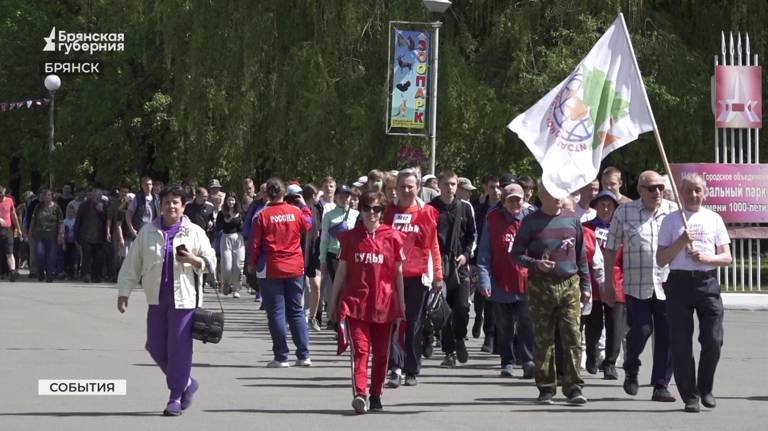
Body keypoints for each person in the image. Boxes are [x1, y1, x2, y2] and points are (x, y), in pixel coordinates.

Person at [117, 185, 216, 416]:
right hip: (156, 299)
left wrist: (194, 260)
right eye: (166, 202)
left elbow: (211, 261)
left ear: (183, 206)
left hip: (184, 301)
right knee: (155, 346)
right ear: (159, 206)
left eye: (175, 202)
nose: (171, 206)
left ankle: (175, 396)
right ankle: (187, 383)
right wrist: (124, 292)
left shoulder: (194, 232)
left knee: (179, 350)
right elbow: (133, 263)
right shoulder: (148, 231)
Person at [511, 182, 591, 405]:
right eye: (552, 193)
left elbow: (581, 256)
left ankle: (574, 387)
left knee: (573, 336)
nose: (557, 197)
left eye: (560, 193)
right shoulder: (530, 222)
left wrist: (586, 286)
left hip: (569, 285)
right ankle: (546, 388)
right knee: (544, 338)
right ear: (541, 194)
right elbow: (516, 254)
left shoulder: (572, 220)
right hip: (541, 286)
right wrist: (536, 264)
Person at [657, 173, 731, 413]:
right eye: (688, 190)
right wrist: (681, 241)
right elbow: (660, 259)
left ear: (705, 193)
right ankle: (690, 396)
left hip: (707, 283)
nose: (693, 195)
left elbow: (727, 257)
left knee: (713, 339)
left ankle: (705, 387)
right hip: (678, 283)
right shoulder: (670, 221)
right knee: (680, 343)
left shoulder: (714, 219)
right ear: (681, 193)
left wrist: (709, 258)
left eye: (698, 190)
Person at [328, 191, 406, 414]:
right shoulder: (350, 237)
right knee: (361, 350)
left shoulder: (392, 236)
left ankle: (376, 394)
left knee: (382, 354)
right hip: (356, 304)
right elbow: (341, 272)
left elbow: (398, 273)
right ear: (360, 211)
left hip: (385, 304)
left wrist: (402, 305)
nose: (372, 213)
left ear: (383, 212)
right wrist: (332, 302)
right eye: (367, 209)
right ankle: (360, 393)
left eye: (377, 209)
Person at [604, 170, 677, 402]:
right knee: (642, 330)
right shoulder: (625, 212)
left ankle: (661, 385)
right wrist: (607, 282)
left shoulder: (674, 212)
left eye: (660, 187)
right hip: (637, 285)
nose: (657, 192)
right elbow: (611, 249)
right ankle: (631, 364)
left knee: (667, 335)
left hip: (668, 284)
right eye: (651, 188)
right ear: (639, 190)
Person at [382, 168, 442, 388]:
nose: (406, 190)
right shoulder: (387, 213)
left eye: (410, 186)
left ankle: (411, 368)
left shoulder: (427, 213)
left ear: (418, 187)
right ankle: (394, 368)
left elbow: (433, 245)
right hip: (390, 276)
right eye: (402, 186)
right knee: (393, 323)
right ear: (396, 188)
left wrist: (438, 274)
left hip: (417, 277)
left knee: (414, 323)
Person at [247, 177, 312, 368]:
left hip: (271, 267)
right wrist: (304, 206)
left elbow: (255, 242)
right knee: (296, 311)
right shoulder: (295, 211)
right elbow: (308, 224)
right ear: (285, 193)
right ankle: (304, 355)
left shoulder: (262, 215)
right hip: (294, 266)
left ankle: (282, 356)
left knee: (276, 312)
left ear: (267, 193)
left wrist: (251, 263)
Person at [476, 183, 536, 378]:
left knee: (527, 324)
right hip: (501, 282)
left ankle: (528, 360)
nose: (514, 203)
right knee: (505, 326)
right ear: (504, 201)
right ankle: (507, 361)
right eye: (510, 200)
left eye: (518, 199)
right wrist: (484, 280)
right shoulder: (493, 218)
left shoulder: (532, 217)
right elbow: (484, 251)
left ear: (524, 199)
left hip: (527, 281)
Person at [428, 170, 476, 367]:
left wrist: (466, 254)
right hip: (439, 265)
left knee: (463, 307)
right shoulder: (430, 208)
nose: (450, 188)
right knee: (444, 310)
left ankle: (460, 337)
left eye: (453, 184)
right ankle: (449, 352)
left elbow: (473, 235)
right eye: (446, 184)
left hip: (460, 265)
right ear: (439, 185)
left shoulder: (465, 208)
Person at [582, 190, 625, 380]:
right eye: (602, 204)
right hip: (593, 282)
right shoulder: (586, 228)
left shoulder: (622, 229)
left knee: (615, 325)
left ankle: (610, 363)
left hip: (617, 282)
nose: (606, 208)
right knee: (593, 324)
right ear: (595, 207)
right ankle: (591, 357)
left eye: (610, 205)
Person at [472, 175, 502, 349]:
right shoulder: (480, 209)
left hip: (497, 256)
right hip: (480, 255)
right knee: (480, 294)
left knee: (493, 297)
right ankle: (478, 318)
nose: (496, 191)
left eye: (498, 187)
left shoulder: (503, 208)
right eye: (492, 187)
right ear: (486, 188)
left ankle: (491, 334)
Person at [28, 188, 64, 282]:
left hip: (52, 236)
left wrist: (61, 234)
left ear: (52, 197)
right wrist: (30, 232)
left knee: (51, 256)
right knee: (40, 255)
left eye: (49, 195)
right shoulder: (38, 207)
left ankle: (49, 275)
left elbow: (60, 222)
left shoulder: (56, 208)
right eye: (45, 195)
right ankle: (40, 272)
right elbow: (33, 220)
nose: (47, 197)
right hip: (39, 235)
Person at [75, 188, 108, 283]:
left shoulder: (104, 205)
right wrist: (76, 237)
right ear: (91, 196)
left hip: (99, 237)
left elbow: (107, 221)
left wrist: (101, 212)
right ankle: (87, 274)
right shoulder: (84, 205)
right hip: (86, 236)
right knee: (86, 257)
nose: (97, 198)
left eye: (99, 196)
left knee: (98, 257)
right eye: (95, 196)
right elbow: (78, 221)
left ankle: (97, 275)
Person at [302, 184, 323, 331]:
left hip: (314, 251)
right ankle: (300, 315)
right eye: (316, 195)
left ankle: (312, 317)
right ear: (312, 196)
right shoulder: (300, 210)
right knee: (301, 286)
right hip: (301, 251)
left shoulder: (317, 209)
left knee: (315, 286)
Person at [215, 192, 244, 298]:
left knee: (237, 265)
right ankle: (226, 284)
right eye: (229, 200)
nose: (231, 202)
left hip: (238, 239)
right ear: (226, 201)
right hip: (226, 238)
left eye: (233, 200)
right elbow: (218, 227)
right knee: (226, 266)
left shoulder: (239, 213)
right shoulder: (221, 213)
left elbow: (243, 227)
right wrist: (226, 219)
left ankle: (237, 288)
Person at [126, 176, 159, 242]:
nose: (148, 186)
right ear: (142, 186)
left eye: (150, 184)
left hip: (152, 231)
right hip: (139, 232)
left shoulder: (156, 199)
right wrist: (131, 229)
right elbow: (128, 214)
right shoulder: (137, 198)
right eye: (146, 184)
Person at [0, 185, 20, 281]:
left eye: (2, 194)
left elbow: (13, 214)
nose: (1, 197)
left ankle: (12, 271)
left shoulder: (9, 201)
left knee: (9, 252)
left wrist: (18, 228)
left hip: (7, 230)